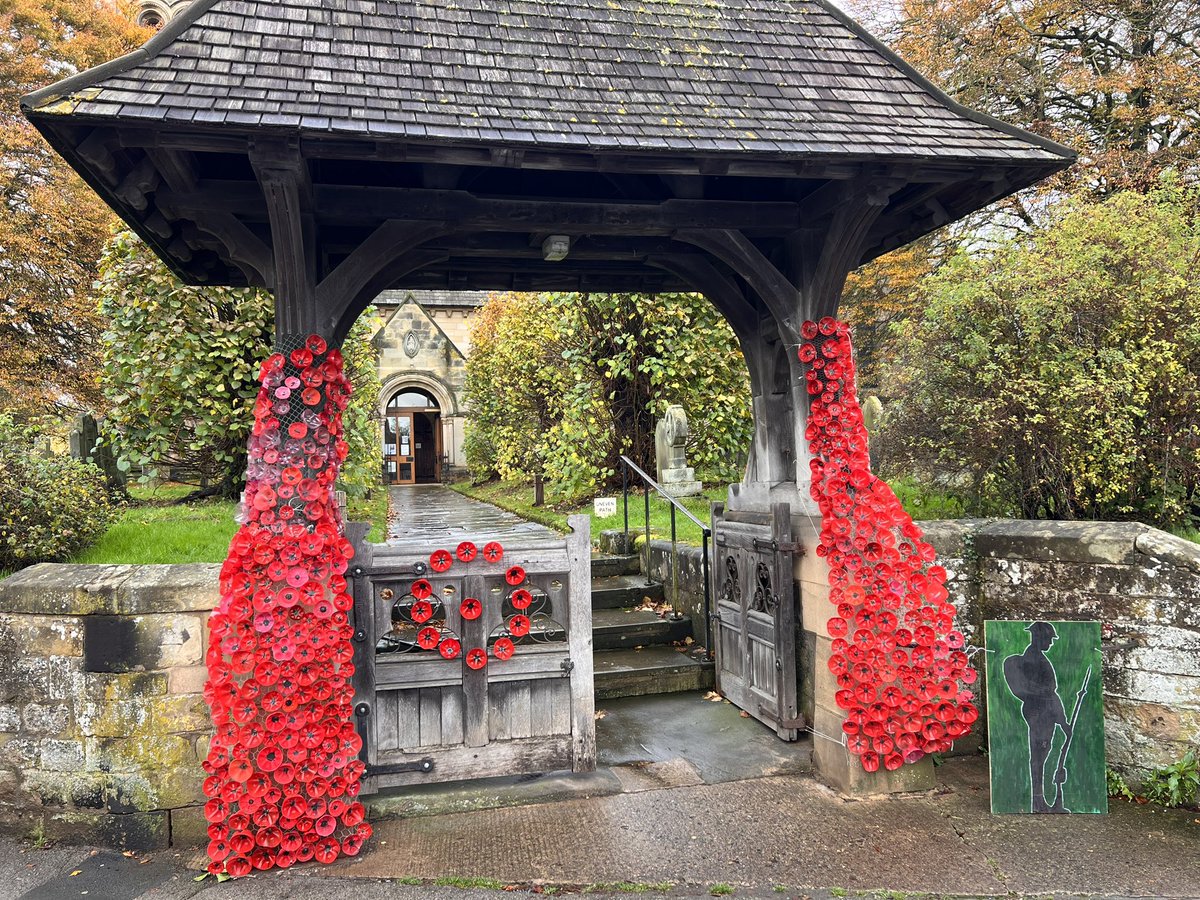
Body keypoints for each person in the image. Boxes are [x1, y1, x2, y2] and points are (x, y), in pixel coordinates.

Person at [1002, 621, 1069, 813]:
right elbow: (1042, 692)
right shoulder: (1030, 660)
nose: (1051, 642)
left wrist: (1062, 721)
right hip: (1038, 712)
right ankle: (1038, 802)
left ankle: (1043, 802)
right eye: (1048, 638)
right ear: (1038, 637)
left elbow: (1051, 693)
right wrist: (1060, 717)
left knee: (1044, 755)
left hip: (1047, 711)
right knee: (1038, 756)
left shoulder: (1040, 659)